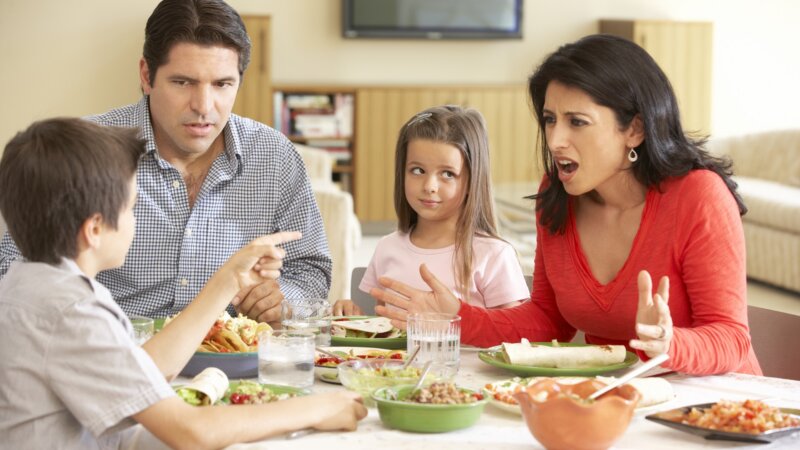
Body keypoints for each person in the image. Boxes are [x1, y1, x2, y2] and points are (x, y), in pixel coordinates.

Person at [370, 34, 762, 376]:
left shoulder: (700, 197)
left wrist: (669, 342)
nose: (555, 140)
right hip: (612, 400)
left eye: (577, 122)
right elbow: (547, 321)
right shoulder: (557, 195)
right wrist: (458, 314)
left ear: (635, 129)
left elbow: (731, 338)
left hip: (712, 405)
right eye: (549, 119)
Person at [0, 118, 366, 449]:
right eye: (131, 207)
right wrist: (314, 408)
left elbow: (144, 369)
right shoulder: (72, 312)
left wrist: (228, 279)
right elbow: (191, 432)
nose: (135, 220)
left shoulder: (33, 284)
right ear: (95, 229)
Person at [0, 0, 332, 323]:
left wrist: (281, 298)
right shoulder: (87, 149)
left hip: (233, 360)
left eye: (222, 84)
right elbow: (12, 267)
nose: (203, 106)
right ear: (147, 75)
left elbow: (312, 271)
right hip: (110, 354)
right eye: (183, 82)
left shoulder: (274, 156)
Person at [333, 105, 529, 316]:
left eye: (447, 174)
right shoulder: (386, 247)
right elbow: (378, 327)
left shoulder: (493, 254)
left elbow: (512, 333)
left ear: (473, 179)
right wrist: (350, 313)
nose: (429, 186)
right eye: (417, 170)